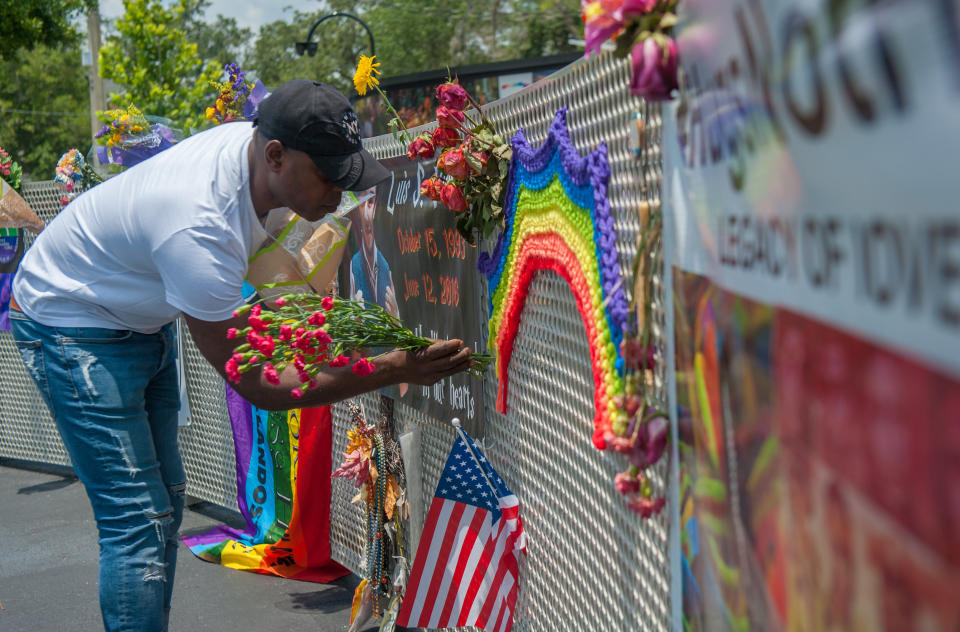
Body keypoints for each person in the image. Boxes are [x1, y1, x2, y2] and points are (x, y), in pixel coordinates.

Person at [7, 79, 473, 632]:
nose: (339, 193)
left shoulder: (255, 160)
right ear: (276, 156)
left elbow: (266, 287)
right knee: (137, 517)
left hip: (133, 313)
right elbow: (262, 386)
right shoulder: (199, 225)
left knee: (167, 501)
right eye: (329, 176)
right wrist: (389, 370)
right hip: (70, 323)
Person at [349, 185, 398, 318]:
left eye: (370, 202)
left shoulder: (385, 266)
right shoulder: (354, 264)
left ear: (375, 206)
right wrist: (356, 320)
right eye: (361, 204)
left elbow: (398, 327)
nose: (366, 213)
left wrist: (395, 318)